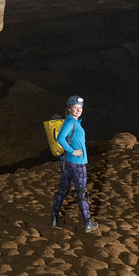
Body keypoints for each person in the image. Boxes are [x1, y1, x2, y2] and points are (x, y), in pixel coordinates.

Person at [50, 95, 99, 232]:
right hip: (77, 163)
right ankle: (88, 222)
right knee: (82, 192)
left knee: (63, 190)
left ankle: (54, 218)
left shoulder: (73, 121)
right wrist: (73, 151)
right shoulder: (71, 122)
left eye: (80, 108)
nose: (78, 110)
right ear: (69, 108)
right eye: (75, 107)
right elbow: (60, 138)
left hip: (66, 163)